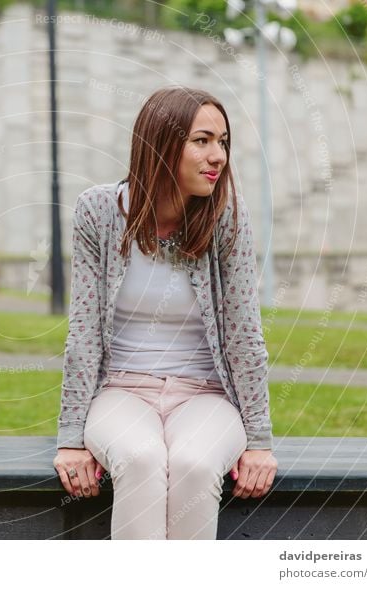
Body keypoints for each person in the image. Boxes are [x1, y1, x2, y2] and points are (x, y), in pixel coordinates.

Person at [53, 86, 277, 540]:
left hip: (205, 394)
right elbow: (84, 332)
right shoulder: (98, 211)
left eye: (223, 142)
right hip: (122, 391)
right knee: (141, 459)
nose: (218, 156)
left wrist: (259, 443)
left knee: (195, 464)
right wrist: (71, 440)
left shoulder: (228, 216)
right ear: (160, 143)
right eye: (202, 141)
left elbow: (244, 334)